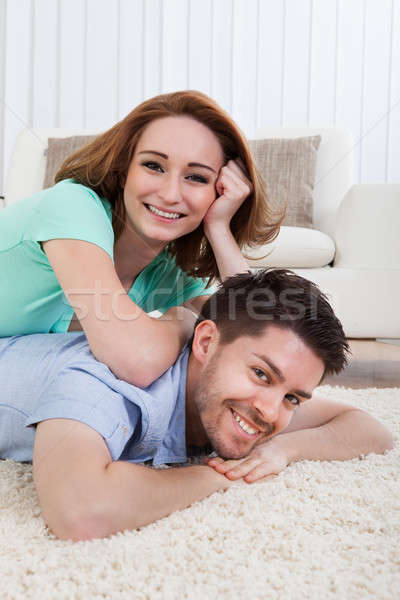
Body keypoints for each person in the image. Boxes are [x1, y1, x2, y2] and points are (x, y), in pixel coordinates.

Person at [0, 269, 394, 542]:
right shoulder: (120, 380)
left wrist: (283, 450)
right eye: (261, 374)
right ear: (205, 343)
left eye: (292, 397)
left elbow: (369, 429)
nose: (272, 413)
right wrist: (219, 477)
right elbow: (80, 512)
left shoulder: (240, 399)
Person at [0, 90, 283, 387]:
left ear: (218, 191)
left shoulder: (166, 269)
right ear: (123, 171)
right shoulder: (72, 207)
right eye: (153, 166)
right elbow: (134, 360)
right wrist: (182, 322)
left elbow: (258, 334)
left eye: (196, 177)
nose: (170, 195)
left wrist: (219, 228)